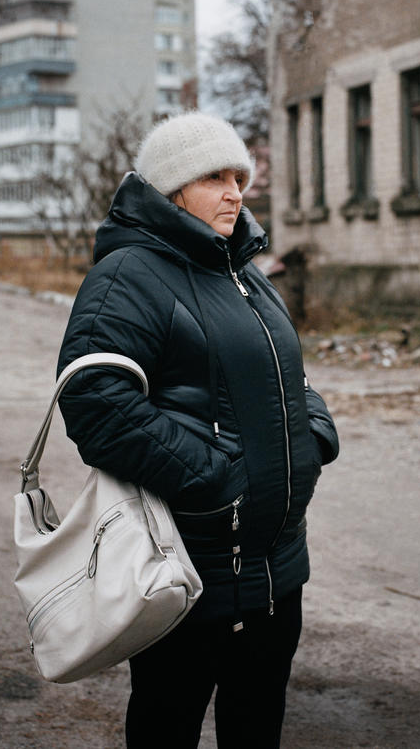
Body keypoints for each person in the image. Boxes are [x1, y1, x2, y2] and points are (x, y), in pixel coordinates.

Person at [56, 111, 339, 748]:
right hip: (187, 572)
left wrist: (314, 435)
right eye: (214, 177)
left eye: (239, 175)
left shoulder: (244, 273)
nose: (236, 191)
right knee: (167, 727)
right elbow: (95, 402)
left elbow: (283, 373)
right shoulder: (129, 275)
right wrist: (220, 481)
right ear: (172, 190)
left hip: (277, 570)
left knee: (257, 729)